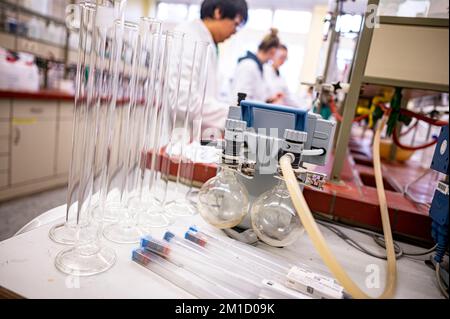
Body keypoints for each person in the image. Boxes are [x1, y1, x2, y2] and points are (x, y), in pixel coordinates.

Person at [174, 0, 248, 133]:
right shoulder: (188, 37)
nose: (235, 32)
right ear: (218, 12)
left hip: (192, 137)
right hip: (175, 137)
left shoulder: (208, 43)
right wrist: (231, 114)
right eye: (235, 24)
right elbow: (182, 102)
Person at [230, 28, 284, 104]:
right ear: (272, 51)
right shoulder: (249, 66)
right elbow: (241, 100)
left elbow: (254, 97)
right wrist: (264, 104)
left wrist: (268, 101)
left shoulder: (259, 67)